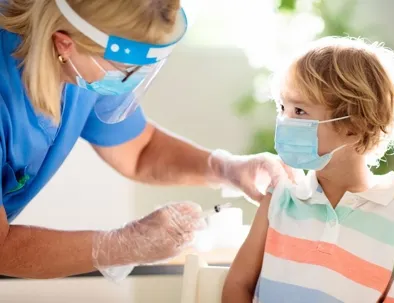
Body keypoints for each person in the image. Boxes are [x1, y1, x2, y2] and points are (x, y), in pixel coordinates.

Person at [0, 0, 287, 281]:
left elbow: (139, 151)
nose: (130, 80)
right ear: (64, 44)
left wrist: (226, 169)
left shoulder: (83, 61)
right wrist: (120, 245)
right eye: (126, 68)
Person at [222, 37, 394, 303]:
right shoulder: (280, 196)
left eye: (299, 111)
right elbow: (238, 285)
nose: (284, 121)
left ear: (354, 125)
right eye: (282, 107)